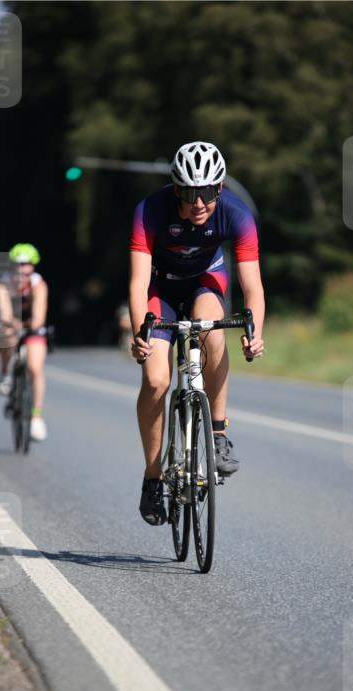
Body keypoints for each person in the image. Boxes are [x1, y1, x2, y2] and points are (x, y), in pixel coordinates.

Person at [129, 141, 265, 525]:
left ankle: (218, 435)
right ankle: (153, 479)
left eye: (207, 193)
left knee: (212, 331)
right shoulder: (149, 211)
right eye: (190, 193)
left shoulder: (237, 215)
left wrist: (255, 331)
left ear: (219, 189)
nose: (199, 203)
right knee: (156, 380)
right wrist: (141, 329)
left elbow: (252, 286)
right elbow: (138, 282)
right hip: (161, 289)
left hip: (205, 283)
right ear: (177, 190)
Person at [0, 244, 49, 442]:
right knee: (7, 334)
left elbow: (38, 317)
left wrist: (29, 325)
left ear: (32, 267)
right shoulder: (3, 284)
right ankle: (3, 375)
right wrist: (12, 324)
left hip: (33, 324)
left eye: (26, 264)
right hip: (11, 323)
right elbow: (4, 312)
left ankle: (36, 417)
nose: (22, 269)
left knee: (35, 368)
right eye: (17, 265)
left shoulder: (38, 284)